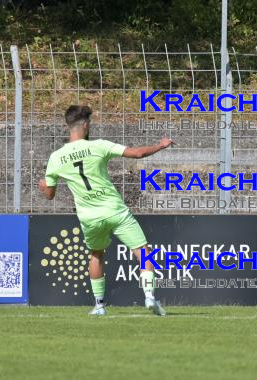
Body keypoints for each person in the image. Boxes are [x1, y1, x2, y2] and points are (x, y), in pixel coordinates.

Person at [38, 105, 173, 316]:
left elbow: (49, 195)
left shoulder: (56, 157)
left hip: (89, 217)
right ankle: (149, 297)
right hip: (115, 211)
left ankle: (99, 306)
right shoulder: (98, 146)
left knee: (96, 255)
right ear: (85, 124)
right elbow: (137, 154)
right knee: (143, 252)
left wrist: (43, 186)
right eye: (89, 122)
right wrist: (161, 145)